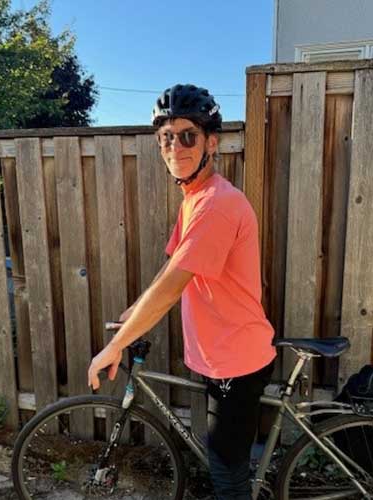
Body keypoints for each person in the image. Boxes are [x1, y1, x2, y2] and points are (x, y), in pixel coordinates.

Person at [88, 83, 276, 499]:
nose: (175, 146)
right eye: (166, 137)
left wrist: (117, 344)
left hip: (234, 360)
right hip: (220, 355)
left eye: (187, 135)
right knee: (225, 456)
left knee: (227, 471)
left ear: (212, 142)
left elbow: (173, 289)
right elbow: (170, 269)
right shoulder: (195, 198)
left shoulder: (217, 205)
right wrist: (133, 312)